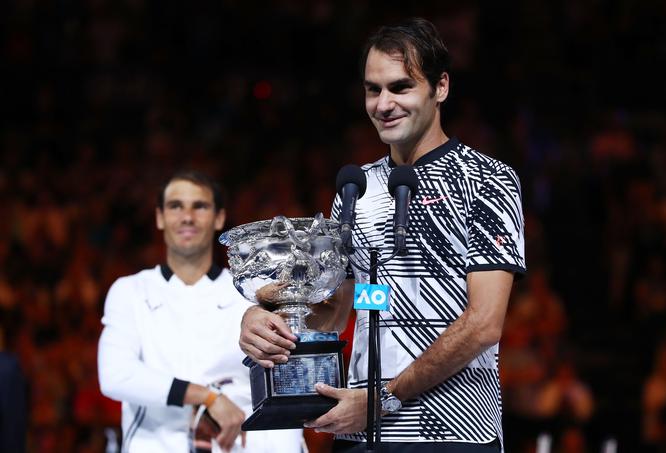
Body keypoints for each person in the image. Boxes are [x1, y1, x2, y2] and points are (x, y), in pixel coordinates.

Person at [239, 17, 526, 452]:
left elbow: (484, 322)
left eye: (400, 87)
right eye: (373, 90)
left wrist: (383, 400)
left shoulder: (487, 179)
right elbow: (338, 311)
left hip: (453, 432)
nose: (383, 103)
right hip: (360, 430)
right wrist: (270, 322)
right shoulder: (355, 190)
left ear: (440, 87)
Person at [97, 170, 303, 453]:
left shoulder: (251, 293)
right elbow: (116, 375)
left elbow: (281, 381)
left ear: (219, 218)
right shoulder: (131, 290)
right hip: (156, 445)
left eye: (200, 206)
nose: (187, 217)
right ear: (160, 217)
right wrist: (207, 397)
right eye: (175, 206)